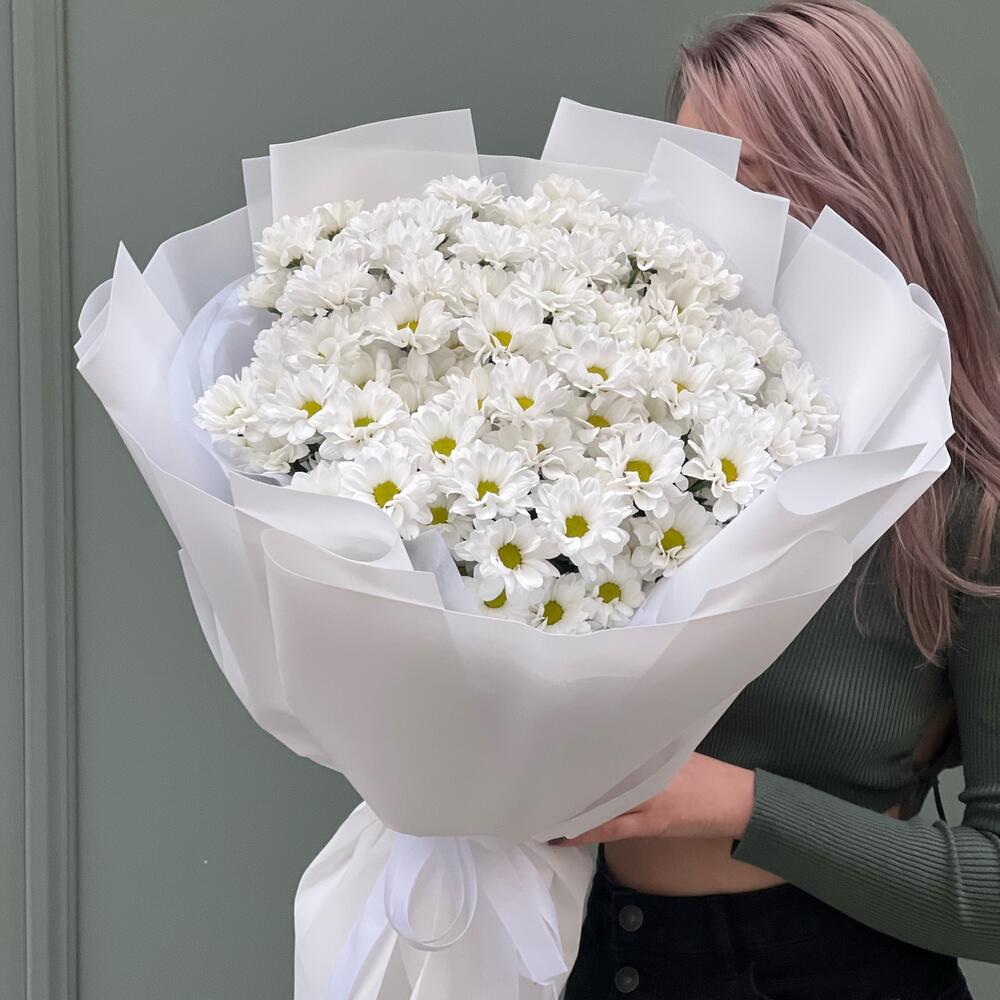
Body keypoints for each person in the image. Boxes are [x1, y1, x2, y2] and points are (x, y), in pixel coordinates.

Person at [556, 3, 1000, 998]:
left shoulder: (969, 497)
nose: (710, 223)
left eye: (757, 186)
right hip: (602, 956)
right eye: (691, 178)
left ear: (864, 193)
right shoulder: (610, 434)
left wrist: (732, 804)